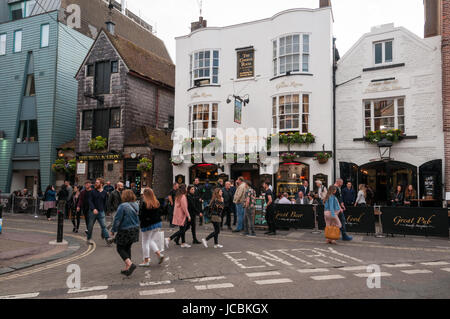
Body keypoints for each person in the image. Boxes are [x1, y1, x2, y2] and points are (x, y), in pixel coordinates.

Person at [110, 190, 140, 277]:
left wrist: (113, 230)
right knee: (127, 247)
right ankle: (127, 268)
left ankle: (130, 264)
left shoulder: (122, 206)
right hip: (135, 229)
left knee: (120, 248)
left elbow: (117, 219)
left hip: (125, 230)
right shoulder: (136, 205)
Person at [139, 188, 165, 267]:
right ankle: (159, 254)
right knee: (150, 240)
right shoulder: (156, 202)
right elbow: (161, 212)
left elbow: (142, 216)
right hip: (157, 223)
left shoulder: (144, 203)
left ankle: (146, 260)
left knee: (145, 242)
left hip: (148, 224)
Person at [87, 178, 112, 246]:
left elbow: (105, 203)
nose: (95, 183)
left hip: (101, 212)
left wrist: (106, 210)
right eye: (96, 182)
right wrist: (93, 209)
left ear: (101, 184)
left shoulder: (104, 193)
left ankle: (108, 239)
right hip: (92, 212)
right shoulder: (92, 192)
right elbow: (90, 201)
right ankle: (89, 239)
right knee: (90, 226)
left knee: (103, 226)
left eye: (97, 182)